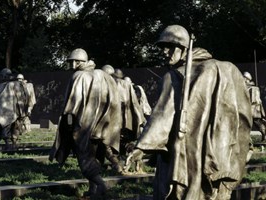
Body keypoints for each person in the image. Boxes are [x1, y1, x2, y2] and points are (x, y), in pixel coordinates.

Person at [127, 25, 252, 199]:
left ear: (184, 47)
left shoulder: (173, 77)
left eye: (170, 46)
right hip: (221, 155)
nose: (165, 52)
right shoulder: (227, 70)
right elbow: (244, 115)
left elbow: (162, 118)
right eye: (163, 47)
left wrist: (141, 148)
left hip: (187, 157)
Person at [51, 49, 121, 199]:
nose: (73, 64)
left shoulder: (78, 76)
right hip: (102, 126)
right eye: (71, 62)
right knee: (96, 158)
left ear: (82, 62)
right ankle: (93, 190)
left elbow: (71, 107)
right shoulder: (102, 75)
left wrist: (69, 126)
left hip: (83, 127)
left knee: (85, 160)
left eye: (75, 61)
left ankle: (101, 186)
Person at [0, 68, 29, 150]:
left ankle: (9, 144)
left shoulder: (2, 85)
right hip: (17, 110)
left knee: (7, 127)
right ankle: (14, 144)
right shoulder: (19, 84)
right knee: (15, 127)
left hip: (6, 111)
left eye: (2, 75)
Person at [244, 71, 266, 142]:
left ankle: (264, 134)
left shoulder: (253, 88)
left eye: (244, 77)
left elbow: (254, 100)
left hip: (253, 109)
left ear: (247, 78)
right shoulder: (244, 87)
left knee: (257, 123)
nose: (243, 79)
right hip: (247, 108)